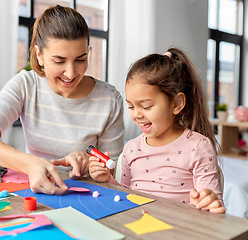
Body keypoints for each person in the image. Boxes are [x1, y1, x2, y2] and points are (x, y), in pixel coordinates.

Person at [0, 5, 124, 195]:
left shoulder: (109, 99)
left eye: (80, 59)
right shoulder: (26, 85)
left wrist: (89, 164)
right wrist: (30, 163)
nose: (71, 73)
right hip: (35, 194)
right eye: (59, 61)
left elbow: (111, 170)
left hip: (87, 196)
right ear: (40, 56)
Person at [89, 47, 226, 214]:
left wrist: (209, 203)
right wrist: (107, 180)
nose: (137, 114)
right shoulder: (131, 148)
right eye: (131, 106)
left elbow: (214, 205)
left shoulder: (198, 147)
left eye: (146, 106)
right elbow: (126, 194)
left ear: (176, 104)